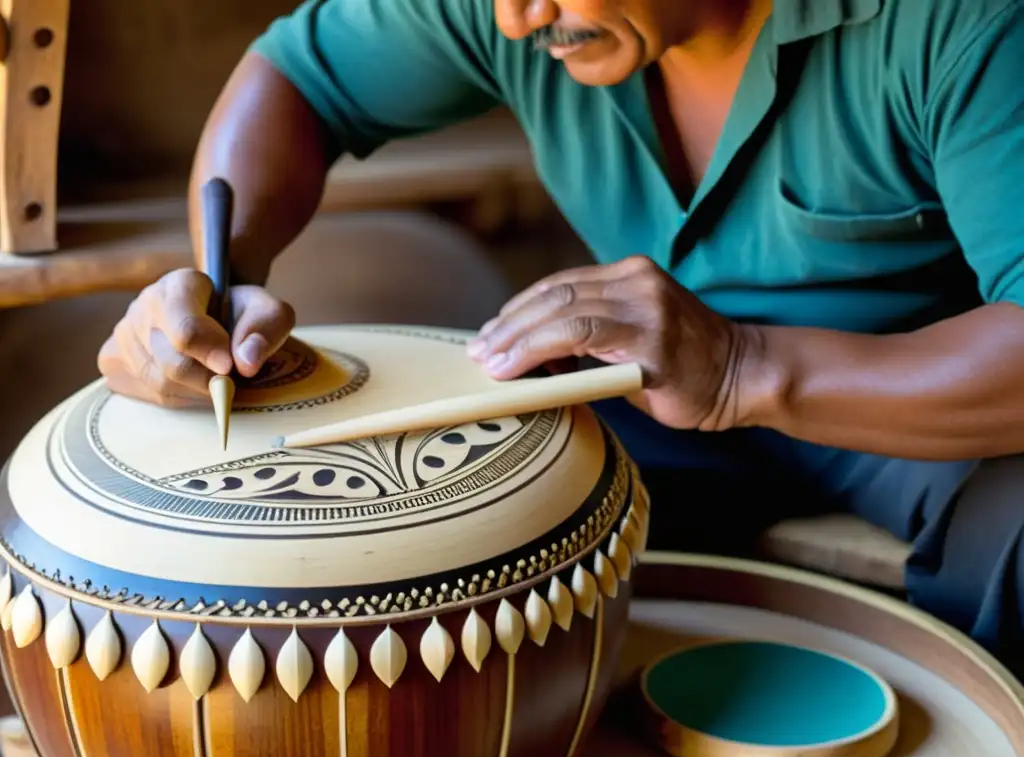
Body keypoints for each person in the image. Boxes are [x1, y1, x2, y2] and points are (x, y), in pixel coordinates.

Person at [97, 0, 1024, 674]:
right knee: (424, 508)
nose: (513, 21)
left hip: (920, 406)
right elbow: (296, 80)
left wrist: (743, 365)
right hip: (644, 383)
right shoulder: (531, 8)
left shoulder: (961, 24)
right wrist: (225, 278)